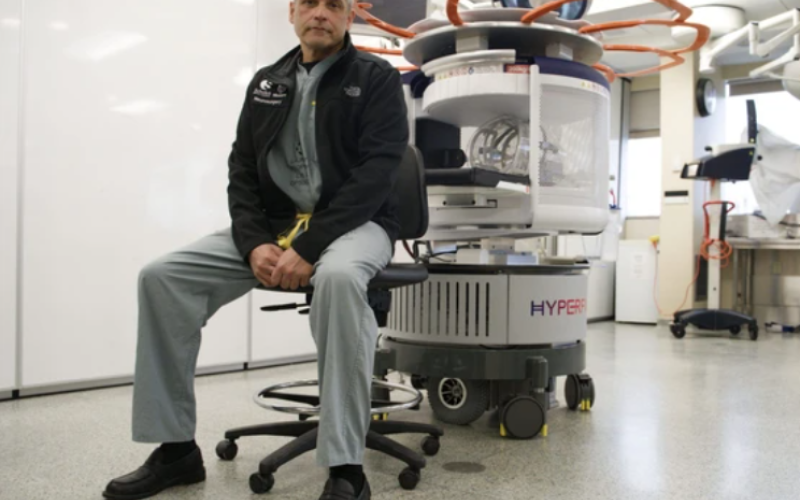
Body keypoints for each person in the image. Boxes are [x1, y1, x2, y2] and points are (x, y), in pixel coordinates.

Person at [102, 0, 409, 499]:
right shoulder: (269, 82)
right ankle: (177, 449)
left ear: (349, 16)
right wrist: (252, 244)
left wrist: (310, 247)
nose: (321, 13)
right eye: (311, 3)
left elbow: (375, 176)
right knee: (162, 278)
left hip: (359, 224)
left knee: (337, 277)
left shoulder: (375, 78)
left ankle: (346, 466)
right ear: (292, 12)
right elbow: (242, 169)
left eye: (335, 5)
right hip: (275, 228)